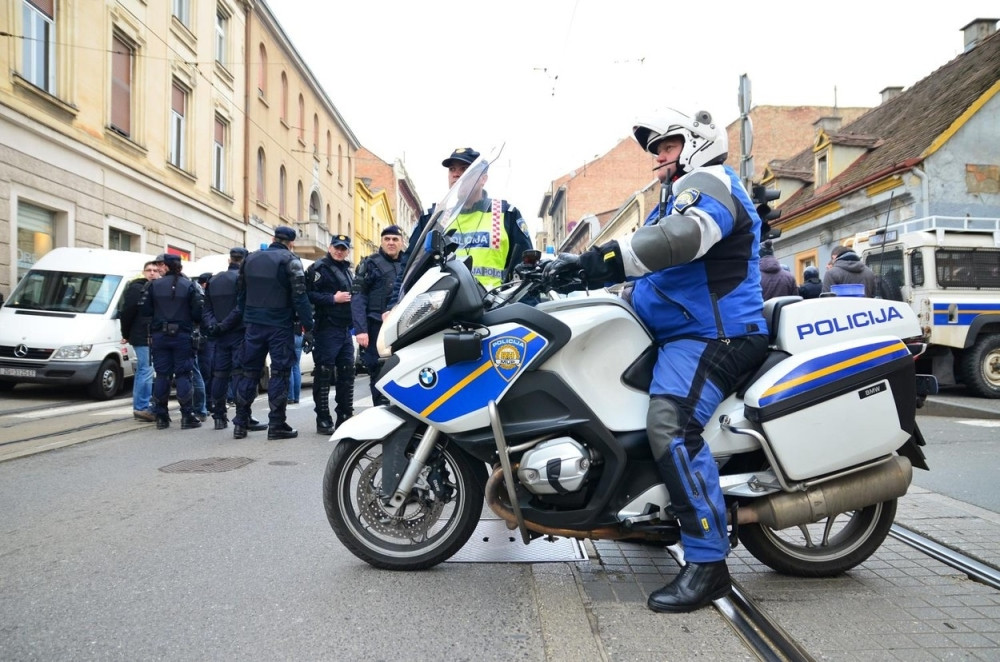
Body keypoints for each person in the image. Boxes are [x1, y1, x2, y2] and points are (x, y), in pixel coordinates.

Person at [545, 108, 768, 613]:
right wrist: (566, 272)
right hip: (674, 332)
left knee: (671, 425)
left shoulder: (710, 186)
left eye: (667, 146)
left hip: (715, 335)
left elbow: (677, 242)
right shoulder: (671, 199)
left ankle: (708, 564)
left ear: (695, 143)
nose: (659, 157)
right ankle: (643, 511)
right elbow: (638, 260)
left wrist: (593, 262)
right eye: (658, 150)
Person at [388, 147, 533, 306]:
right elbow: (409, 266)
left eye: (465, 169)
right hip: (441, 309)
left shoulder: (507, 214)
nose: (456, 174)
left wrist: (529, 310)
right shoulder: (435, 217)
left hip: (493, 307)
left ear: (483, 178)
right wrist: (394, 305)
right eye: (452, 169)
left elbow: (527, 269)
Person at [234, 226, 314, 440]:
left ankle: (241, 423)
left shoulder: (249, 259)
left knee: (248, 372)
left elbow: (240, 293)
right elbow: (299, 296)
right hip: (279, 325)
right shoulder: (290, 260)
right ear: (291, 242)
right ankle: (276, 424)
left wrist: (245, 319)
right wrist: (309, 327)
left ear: (272, 239)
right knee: (280, 372)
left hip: (253, 325)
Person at [203, 247, 267, 433]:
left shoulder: (214, 280)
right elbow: (241, 308)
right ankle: (243, 416)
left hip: (220, 335)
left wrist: (215, 325)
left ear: (229, 259)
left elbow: (207, 309)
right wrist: (225, 325)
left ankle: (219, 417)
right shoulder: (243, 280)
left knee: (220, 375)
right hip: (239, 334)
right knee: (242, 376)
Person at [139, 254, 204, 430]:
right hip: (183, 334)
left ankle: (161, 416)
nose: (159, 268)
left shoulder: (153, 286)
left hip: (160, 335)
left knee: (162, 375)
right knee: (184, 375)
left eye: (161, 265)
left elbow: (145, 310)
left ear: (166, 267)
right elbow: (198, 312)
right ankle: (186, 415)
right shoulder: (189, 285)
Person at [306, 234, 356, 434]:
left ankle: (344, 415)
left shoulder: (347, 270)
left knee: (347, 371)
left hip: (344, 329)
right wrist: (332, 298)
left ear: (347, 250)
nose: (339, 251)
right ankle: (323, 418)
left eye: (343, 248)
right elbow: (308, 294)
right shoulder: (319, 268)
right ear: (329, 247)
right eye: (336, 247)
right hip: (327, 327)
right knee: (324, 373)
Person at [353, 225, 405, 406]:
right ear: (381, 242)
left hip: (404, 325)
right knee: (378, 369)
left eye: (395, 239)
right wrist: (361, 330)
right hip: (376, 326)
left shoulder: (409, 263)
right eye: (387, 239)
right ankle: (381, 411)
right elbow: (358, 297)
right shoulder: (369, 264)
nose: (391, 243)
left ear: (402, 242)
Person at [120, 260, 161, 421]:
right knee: (146, 370)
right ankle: (141, 407)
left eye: (155, 270)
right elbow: (127, 312)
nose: (152, 273)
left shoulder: (158, 288)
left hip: (153, 334)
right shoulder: (136, 288)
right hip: (142, 335)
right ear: (144, 272)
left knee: (146, 370)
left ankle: (143, 405)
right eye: (149, 270)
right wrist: (126, 333)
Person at [190, 272, 215, 422]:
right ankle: (205, 405)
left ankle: (204, 405)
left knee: (203, 372)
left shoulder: (198, 293)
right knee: (205, 372)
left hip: (201, 338)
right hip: (203, 339)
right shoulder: (200, 295)